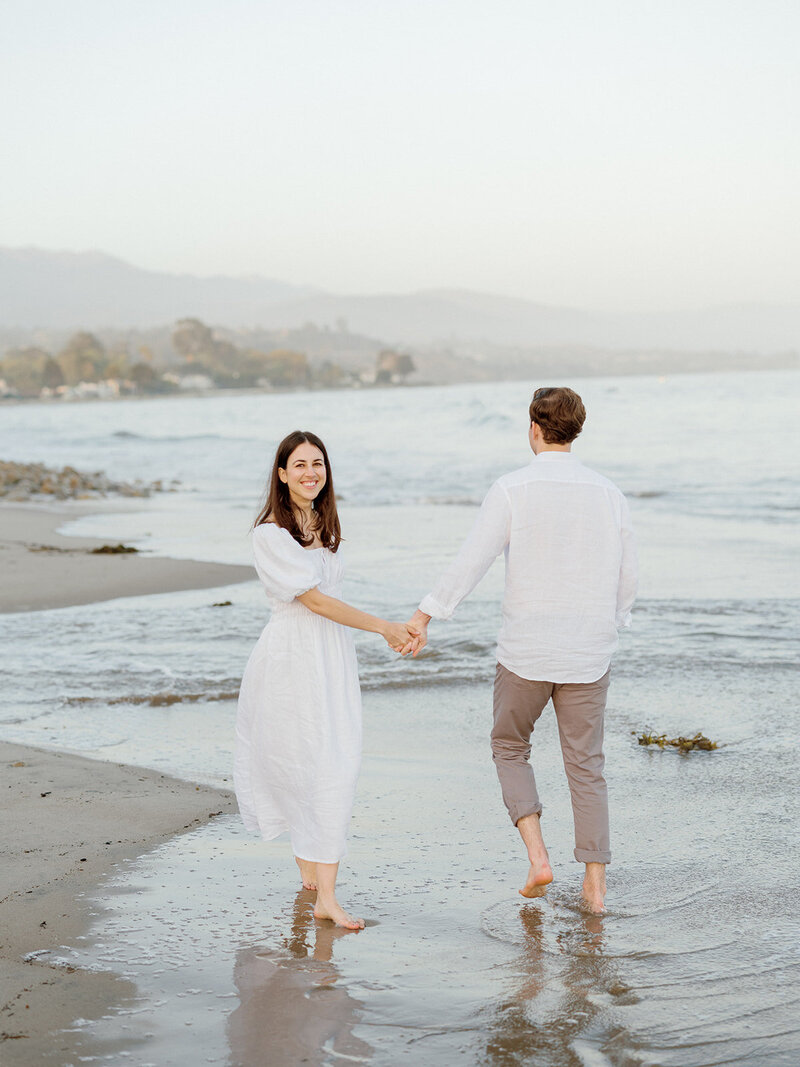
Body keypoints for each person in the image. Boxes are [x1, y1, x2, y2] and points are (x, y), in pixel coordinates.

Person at [405, 387, 637, 913]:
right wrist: (613, 623)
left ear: (534, 428)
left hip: (526, 651)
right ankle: (595, 887)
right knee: (586, 765)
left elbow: (472, 561)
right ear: (576, 431)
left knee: (510, 747)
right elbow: (628, 574)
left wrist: (424, 615)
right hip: (588, 653)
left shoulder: (512, 488)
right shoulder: (608, 493)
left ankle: (538, 858)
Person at [234, 430, 417, 930]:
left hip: (330, 656)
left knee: (331, 761)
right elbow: (313, 601)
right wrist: (384, 626)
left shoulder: (320, 523)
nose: (310, 472)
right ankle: (326, 898)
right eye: (299, 465)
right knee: (312, 763)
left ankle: (312, 864)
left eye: (318, 463)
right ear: (281, 473)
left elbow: (326, 602)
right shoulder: (270, 533)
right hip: (293, 660)